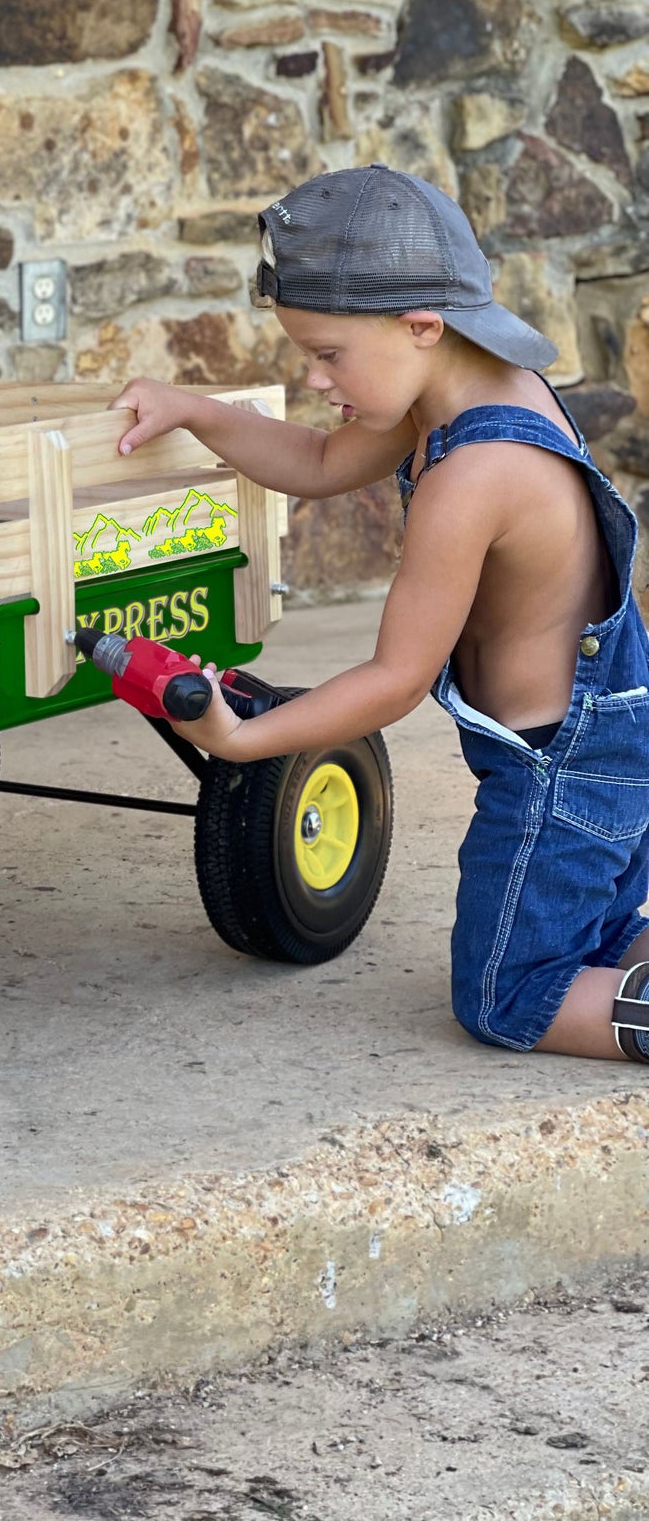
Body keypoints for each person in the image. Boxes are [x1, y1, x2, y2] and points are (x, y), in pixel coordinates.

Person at [110, 163, 649, 1065]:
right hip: (607, 740)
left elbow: (395, 678)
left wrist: (246, 740)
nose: (315, 378)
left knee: (506, 993)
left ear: (420, 327)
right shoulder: (466, 388)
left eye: (327, 354)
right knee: (590, 935)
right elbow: (319, 460)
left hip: (558, 772)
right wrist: (195, 410)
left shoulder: (469, 476)